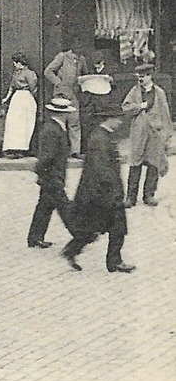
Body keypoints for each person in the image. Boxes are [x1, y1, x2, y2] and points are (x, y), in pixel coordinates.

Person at [62, 102, 135, 273]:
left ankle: (74, 251)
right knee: (109, 228)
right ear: (108, 119)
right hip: (102, 194)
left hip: (98, 193)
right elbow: (102, 170)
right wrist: (115, 193)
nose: (120, 122)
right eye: (117, 119)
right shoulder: (100, 139)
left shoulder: (102, 136)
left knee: (101, 228)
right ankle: (112, 262)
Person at [27, 96, 74, 248]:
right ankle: (80, 233)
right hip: (52, 176)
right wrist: (43, 174)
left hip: (51, 175)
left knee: (44, 206)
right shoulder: (52, 130)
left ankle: (35, 237)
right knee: (65, 207)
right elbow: (47, 157)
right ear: (63, 114)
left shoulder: (54, 127)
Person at [122, 63, 172, 207]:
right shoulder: (134, 92)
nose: (140, 80)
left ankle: (149, 195)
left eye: (143, 77)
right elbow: (125, 107)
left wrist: (166, 136)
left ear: (150, 76)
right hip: (139, 134)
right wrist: (139, 106)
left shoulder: (159, 93)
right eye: (139, 77)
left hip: (155, 135)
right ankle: (131, 197)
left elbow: (166, 115)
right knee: (135, 163)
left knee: (154, 164)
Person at [44, 39, 88, 158]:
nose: (79, 50)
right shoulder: (62, 57)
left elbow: (85, 75)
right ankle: (57, 151)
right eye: (77, 47)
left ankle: (75, 151)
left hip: (74, 95)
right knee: (60, 123)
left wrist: (81, 82)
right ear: (72, 47)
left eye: (81, 47)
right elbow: (48, 72)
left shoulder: (82, 60)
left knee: (74, 123)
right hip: (61, 95)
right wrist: (58, 83)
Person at [0, 53, 38, 157]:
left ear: (20, 62)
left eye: (15, 62)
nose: (14, 65)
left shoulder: (30, 73)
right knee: (13, 122)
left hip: (26, 98)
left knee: (24, 123)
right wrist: (6, 98)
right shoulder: (16, 73)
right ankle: (12, 147)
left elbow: (33, 88)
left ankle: (22, 148)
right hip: (16, 99)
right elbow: (11, 87)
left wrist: (31, 98)